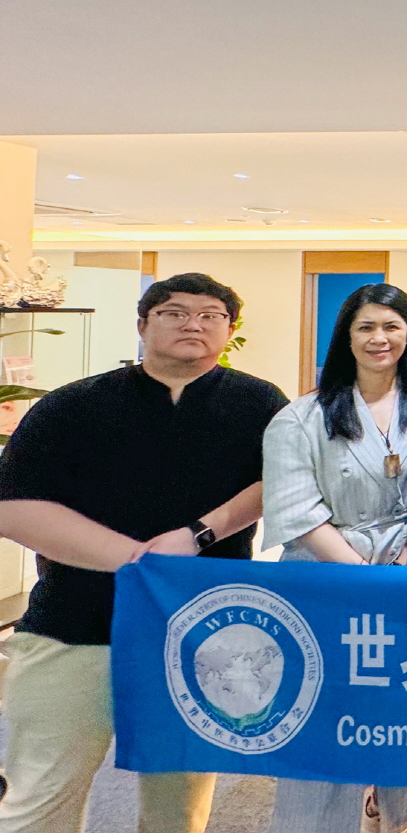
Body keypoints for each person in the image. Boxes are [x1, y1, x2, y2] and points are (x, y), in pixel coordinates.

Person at [0, 272, 287, 833]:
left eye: (211, 316)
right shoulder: (74, 405)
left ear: (229, 329)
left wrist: (198, 534)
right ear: (142, 324)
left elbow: (282, 481)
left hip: (203, 634)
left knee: (179, 808)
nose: (193, 324)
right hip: (72, 625)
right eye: (175, 313)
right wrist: (139, 560)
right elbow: (15, 507)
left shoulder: (260, 404)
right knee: (41, 795)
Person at [261, 283, 407, 833]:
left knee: (406, 708)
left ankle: (398, 817)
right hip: (326, 582)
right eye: (366, 327)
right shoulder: (300, 417)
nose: (379, 338)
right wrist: (364, 577)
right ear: (346, 337)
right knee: (325, 712)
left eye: (392, 326)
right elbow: (297, 510)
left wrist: (405, 561)